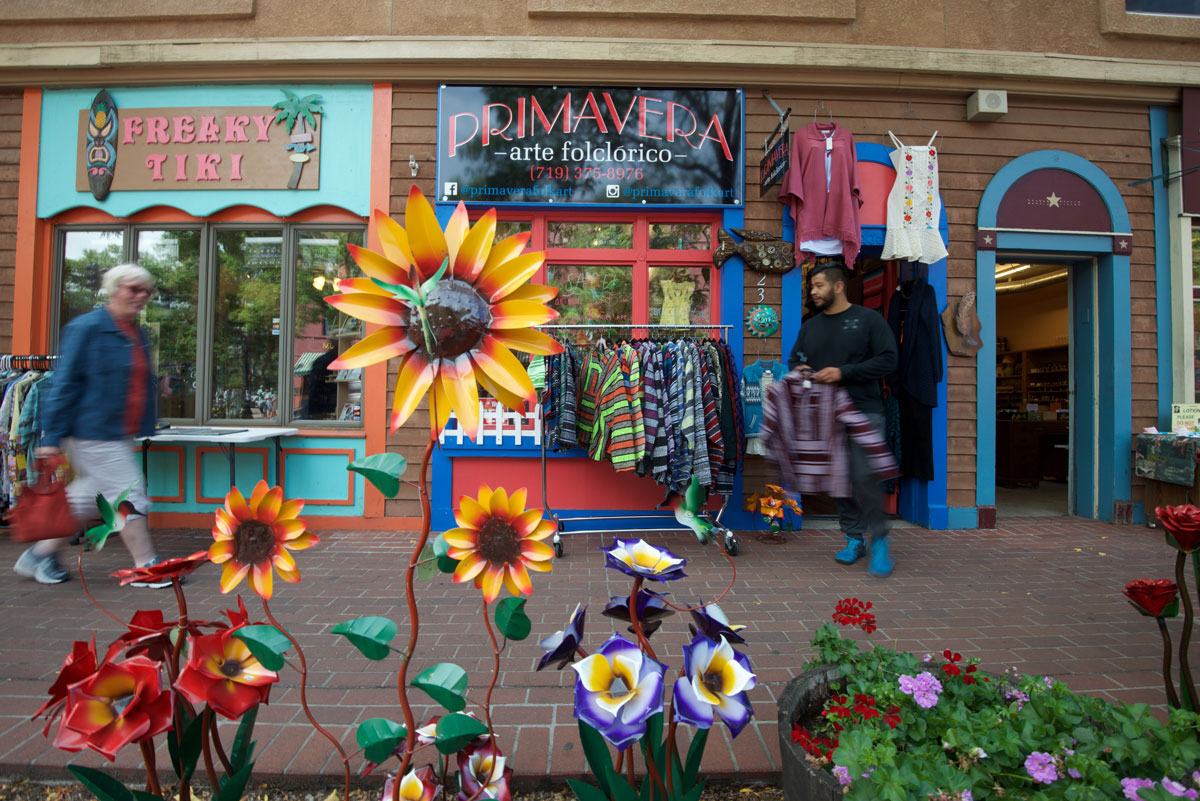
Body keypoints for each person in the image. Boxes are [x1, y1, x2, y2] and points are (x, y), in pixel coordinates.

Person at [14, 263, 166, 587]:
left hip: (118, 432)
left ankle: (40, 555)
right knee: (129, 494)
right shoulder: (87, 328)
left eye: (146, 291)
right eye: (132, 289)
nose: (140, 296)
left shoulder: (136, 333)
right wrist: (51, 435)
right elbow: (64, 383)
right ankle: (145, 566)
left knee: (90, 496)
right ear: (113, 289)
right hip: (92, 430)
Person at [787, 262, 899, 577]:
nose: (813, 291)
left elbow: (889, 360)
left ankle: (878, 540)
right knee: (838, 479)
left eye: (819, 285)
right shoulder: (810, 325)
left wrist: (843, 372)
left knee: (864, 476)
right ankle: (853, 538)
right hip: (823, 412)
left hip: (864, 410)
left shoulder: (869, 320)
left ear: (838, 286)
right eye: (812, 286)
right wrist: (801, 370)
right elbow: (795, 358)